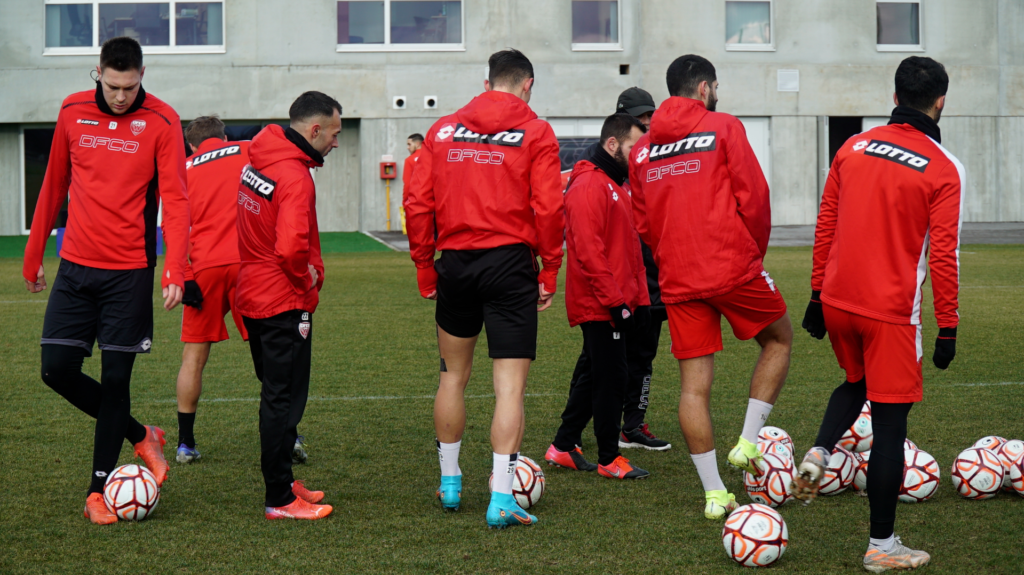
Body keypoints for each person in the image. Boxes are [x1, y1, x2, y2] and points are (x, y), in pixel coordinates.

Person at [792, 56, 961, 572]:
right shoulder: (943, 166)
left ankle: (820, 450)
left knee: (855, 382)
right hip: (889, 314)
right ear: (940, 102)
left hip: (839, 302)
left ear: (894, 97)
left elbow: (827, 223)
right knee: (889, 427)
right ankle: (881, 547)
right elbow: (944, 255)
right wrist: (948, 325)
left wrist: (817, 295)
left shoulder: (852, 146)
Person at [22, 36, 187, 525]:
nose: (120, 96)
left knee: (116, 379)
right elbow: (53, 182)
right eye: (112, 86)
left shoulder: (162, 120)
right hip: (75, 266)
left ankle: (97, 491)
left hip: (129, 272)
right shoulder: (73, 110)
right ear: (98, 73)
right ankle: (141, 435)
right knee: (56, 370)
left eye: (129, 87)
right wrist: (34, 253)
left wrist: (176, 265)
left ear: (141, 76)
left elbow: (177, 201)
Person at [629, 55, 793, 520]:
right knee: (779, 338)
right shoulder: (723, 127)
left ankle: (714, 494)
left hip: (678, 278)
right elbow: (755, 198)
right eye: (715, 86)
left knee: (692, 387)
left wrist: (670, 255)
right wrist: (751, 253)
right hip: (731, 264)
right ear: (704, 88)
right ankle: (747, 441)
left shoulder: (641, 151)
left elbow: (642, 222)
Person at [405, 48, 564, 529]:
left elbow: (417, 202)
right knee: (509, 387)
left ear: (488, 80)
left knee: (453, 375)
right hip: (509, 263)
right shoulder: (535, 131)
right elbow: (550, 208)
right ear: (527, 84)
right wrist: (551, 268)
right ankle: (499, 497)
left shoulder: (444, 129)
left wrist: (423, 267)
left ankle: (450, 483)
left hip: (455, 262)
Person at [235, 91, 342, 521]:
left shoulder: (257, 157)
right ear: (314, 130)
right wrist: (307, 278)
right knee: (282, 400)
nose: (336, 142)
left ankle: (283, 479)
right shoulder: (295, 176)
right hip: (281, 300)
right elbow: (290, 249)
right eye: (334, 133)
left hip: (252, 293)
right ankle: (279, 498)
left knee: (275, 394)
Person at [545, 113, 651, 479]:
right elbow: (589, 252)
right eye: (633, 147)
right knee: (612, 379)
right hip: (601, 304)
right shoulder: (590, 184)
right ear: (612, 145)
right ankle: (609, 459)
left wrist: (636, 299)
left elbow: (627, 251)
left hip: (614, 300)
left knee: (594, 375)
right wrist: (616, 302)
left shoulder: (612, 183)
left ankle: (562, 445)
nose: (639, 155)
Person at [174, 115, 251, 464]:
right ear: (225, 136)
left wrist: (183, 273)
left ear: (191, 145)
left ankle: (185, 444)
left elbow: (174, 225)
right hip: (248, 263)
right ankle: (289, 435)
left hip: (202, 269)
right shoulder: (247, 150)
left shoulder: (183, 168)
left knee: (194, 359)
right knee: (269, 352)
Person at [615, 86, 671, 451]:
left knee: (643, 358)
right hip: (617, 284)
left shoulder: (659, 159)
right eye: (640, 117)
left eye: (650, 116)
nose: (647, 123)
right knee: (600, 361)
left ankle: (632, 426)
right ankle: (573, 434)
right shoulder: (610, 167)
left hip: (654, 281)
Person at [401, 133, 424, 234]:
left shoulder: (410, 160)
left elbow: (407, 184)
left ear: (418, 144)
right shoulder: (434, 157)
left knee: (419, 238)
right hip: (435, 203)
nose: (407, 147)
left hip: (417, 204)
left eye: (409, 144)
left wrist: (405, 202)